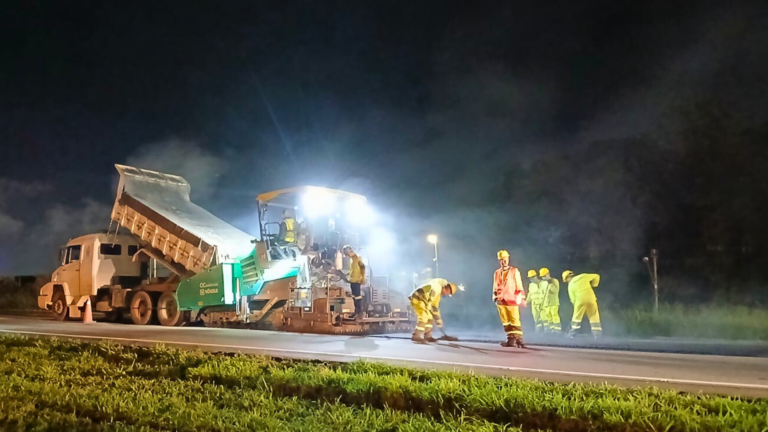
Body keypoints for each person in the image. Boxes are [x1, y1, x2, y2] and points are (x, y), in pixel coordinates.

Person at [409, 278, 459, 344]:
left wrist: (438, 319)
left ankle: (428, 336)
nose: (446, 294)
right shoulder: (437, 286)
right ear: (446, 289)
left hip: (424, 301)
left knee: (430, 317)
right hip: (417, 298)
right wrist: (429, 303)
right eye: (448, 293)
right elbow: (433, 293)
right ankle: (416, 336)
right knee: (424, 317)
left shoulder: (438, 296)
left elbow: (435, 307)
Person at [494, 250, 526, 348]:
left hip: (511, 299)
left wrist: (522, 298)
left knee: (514, 320)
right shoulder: (497, 272)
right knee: (506, 321)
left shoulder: (514, 271)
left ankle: (519, 339)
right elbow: (495, 286)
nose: (504, 261)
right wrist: (495, 297)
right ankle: (510, 339)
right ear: (499, 261)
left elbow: (519, 285)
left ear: (508, 259)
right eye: (501, 260)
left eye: (505, 259)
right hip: (500, 300)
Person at [562, 270, 602, 338]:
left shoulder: (570, 285)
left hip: (580, 300)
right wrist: (594, 285)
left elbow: (572, 298)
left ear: (567, 278)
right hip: (591, 299)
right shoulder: (583, 276)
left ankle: (572, 334)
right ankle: (597, 335)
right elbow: (597, 276)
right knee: (594, 316)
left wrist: (576, 306)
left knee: (576, 318)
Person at [343, 245, 366, 319]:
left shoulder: (357, 258)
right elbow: (353, 270)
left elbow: (363, 268)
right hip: (352, 280)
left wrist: (362, 278)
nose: (347, 256)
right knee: (354, 296)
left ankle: (360, 312)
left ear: (350, 251)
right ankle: (356, 311)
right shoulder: (351, 259)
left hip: (357, 280)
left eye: (347, 254)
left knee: (357, 296)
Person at [539, 267, 561, 334]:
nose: (543, 278)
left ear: (548, 274)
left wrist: (550, 284)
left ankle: (558, 331)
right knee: (549, 318)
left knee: (555, 317)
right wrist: (541, 303)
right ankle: (552, 331)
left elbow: (555, 291)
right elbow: (541, 294)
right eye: (542, 276)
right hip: (546, 304)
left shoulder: (554, 281)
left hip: (553, 303)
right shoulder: (542, 283)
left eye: (544, 276)